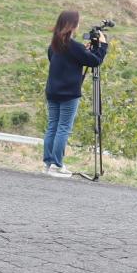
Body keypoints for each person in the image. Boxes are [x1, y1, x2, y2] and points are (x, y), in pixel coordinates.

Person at [42, 9, 107, 177]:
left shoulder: (54, 45)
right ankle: (57, 165)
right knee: (63, 128)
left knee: (52, 127)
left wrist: (83, 52)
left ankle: (48, 164)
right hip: (69, 94)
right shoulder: (74, 46)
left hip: (53, 91)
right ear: (72, 25)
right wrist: (103, 44)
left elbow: (63, 60)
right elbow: (95, 61)